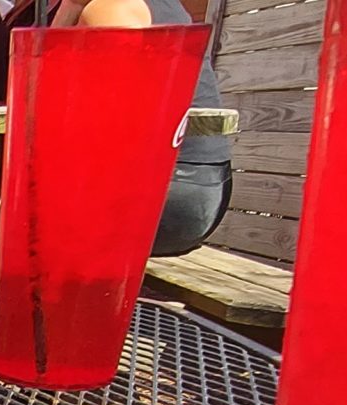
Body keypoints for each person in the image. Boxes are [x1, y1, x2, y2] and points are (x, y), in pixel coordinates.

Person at [46, 0, 226, 255]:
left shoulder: (112, 9)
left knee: (29, 228)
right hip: (197, 191)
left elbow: (48, 91)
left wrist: (69, 10)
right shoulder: (160, 6)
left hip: (165, 197)